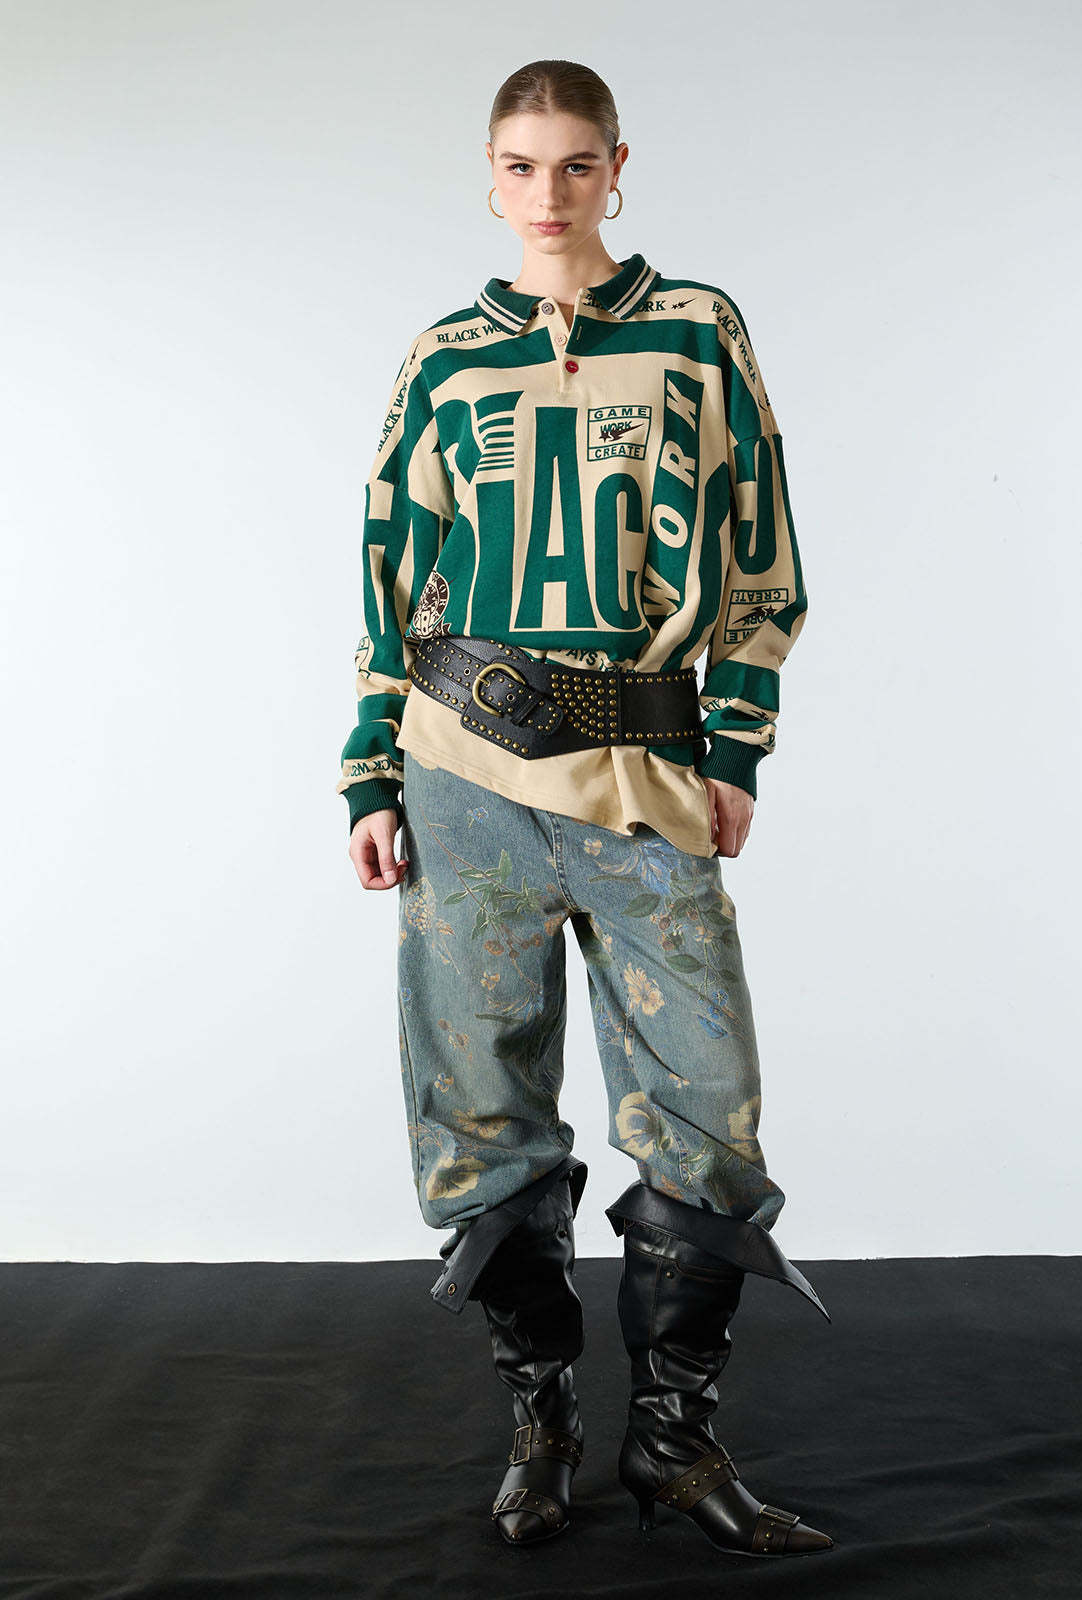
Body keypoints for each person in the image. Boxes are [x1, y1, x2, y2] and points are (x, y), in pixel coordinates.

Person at [336, 58, 836, 1560]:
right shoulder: (444, 358)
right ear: (487, 174)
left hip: (640, 777)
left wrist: (734, 749)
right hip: (464, 774)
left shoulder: (697, 330)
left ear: (619, 166)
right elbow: (391, 574)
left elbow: (760, 549)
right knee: (479, 1107)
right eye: (519, 164)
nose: (545, 193)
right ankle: (542, 1423)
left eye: (573, 164)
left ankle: (674, 1442)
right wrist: (371, 768)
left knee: (705, 1110)